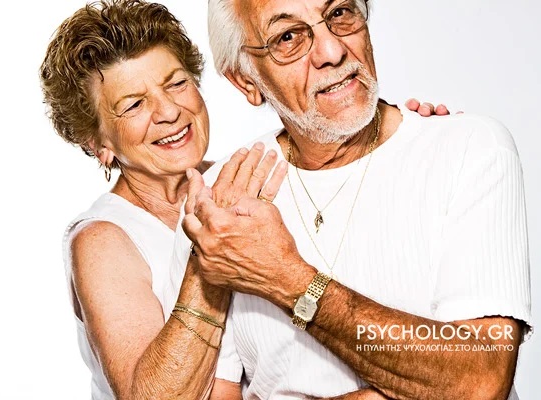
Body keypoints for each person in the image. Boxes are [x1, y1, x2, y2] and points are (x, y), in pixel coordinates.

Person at [40, 0, 451, 398]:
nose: (168, 111)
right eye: (134, 105)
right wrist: (214, 258)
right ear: (98, 143)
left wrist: (406, 142)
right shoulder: (101, 241)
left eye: (177, 83)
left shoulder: (247, 176)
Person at [174, 0, 533, 399]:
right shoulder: (221, 196)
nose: (332, 51)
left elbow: (479, 381)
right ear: (246, 82)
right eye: (288, 37)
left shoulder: (470, 149)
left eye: (340, 12)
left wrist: (288, 279)